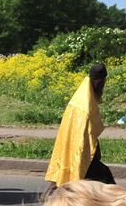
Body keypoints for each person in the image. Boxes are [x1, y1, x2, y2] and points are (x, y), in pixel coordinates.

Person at [45, 63, 114, 196]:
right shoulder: (86, 105)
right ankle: (118, 203)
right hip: (83, 150)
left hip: (72, 144)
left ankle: (53, 193)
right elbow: (88, 131)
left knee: (69, 176)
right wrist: (95, 151)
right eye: (103, 82)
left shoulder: (81, 95)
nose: (103, 86)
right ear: (99, 81)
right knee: (101, 178)